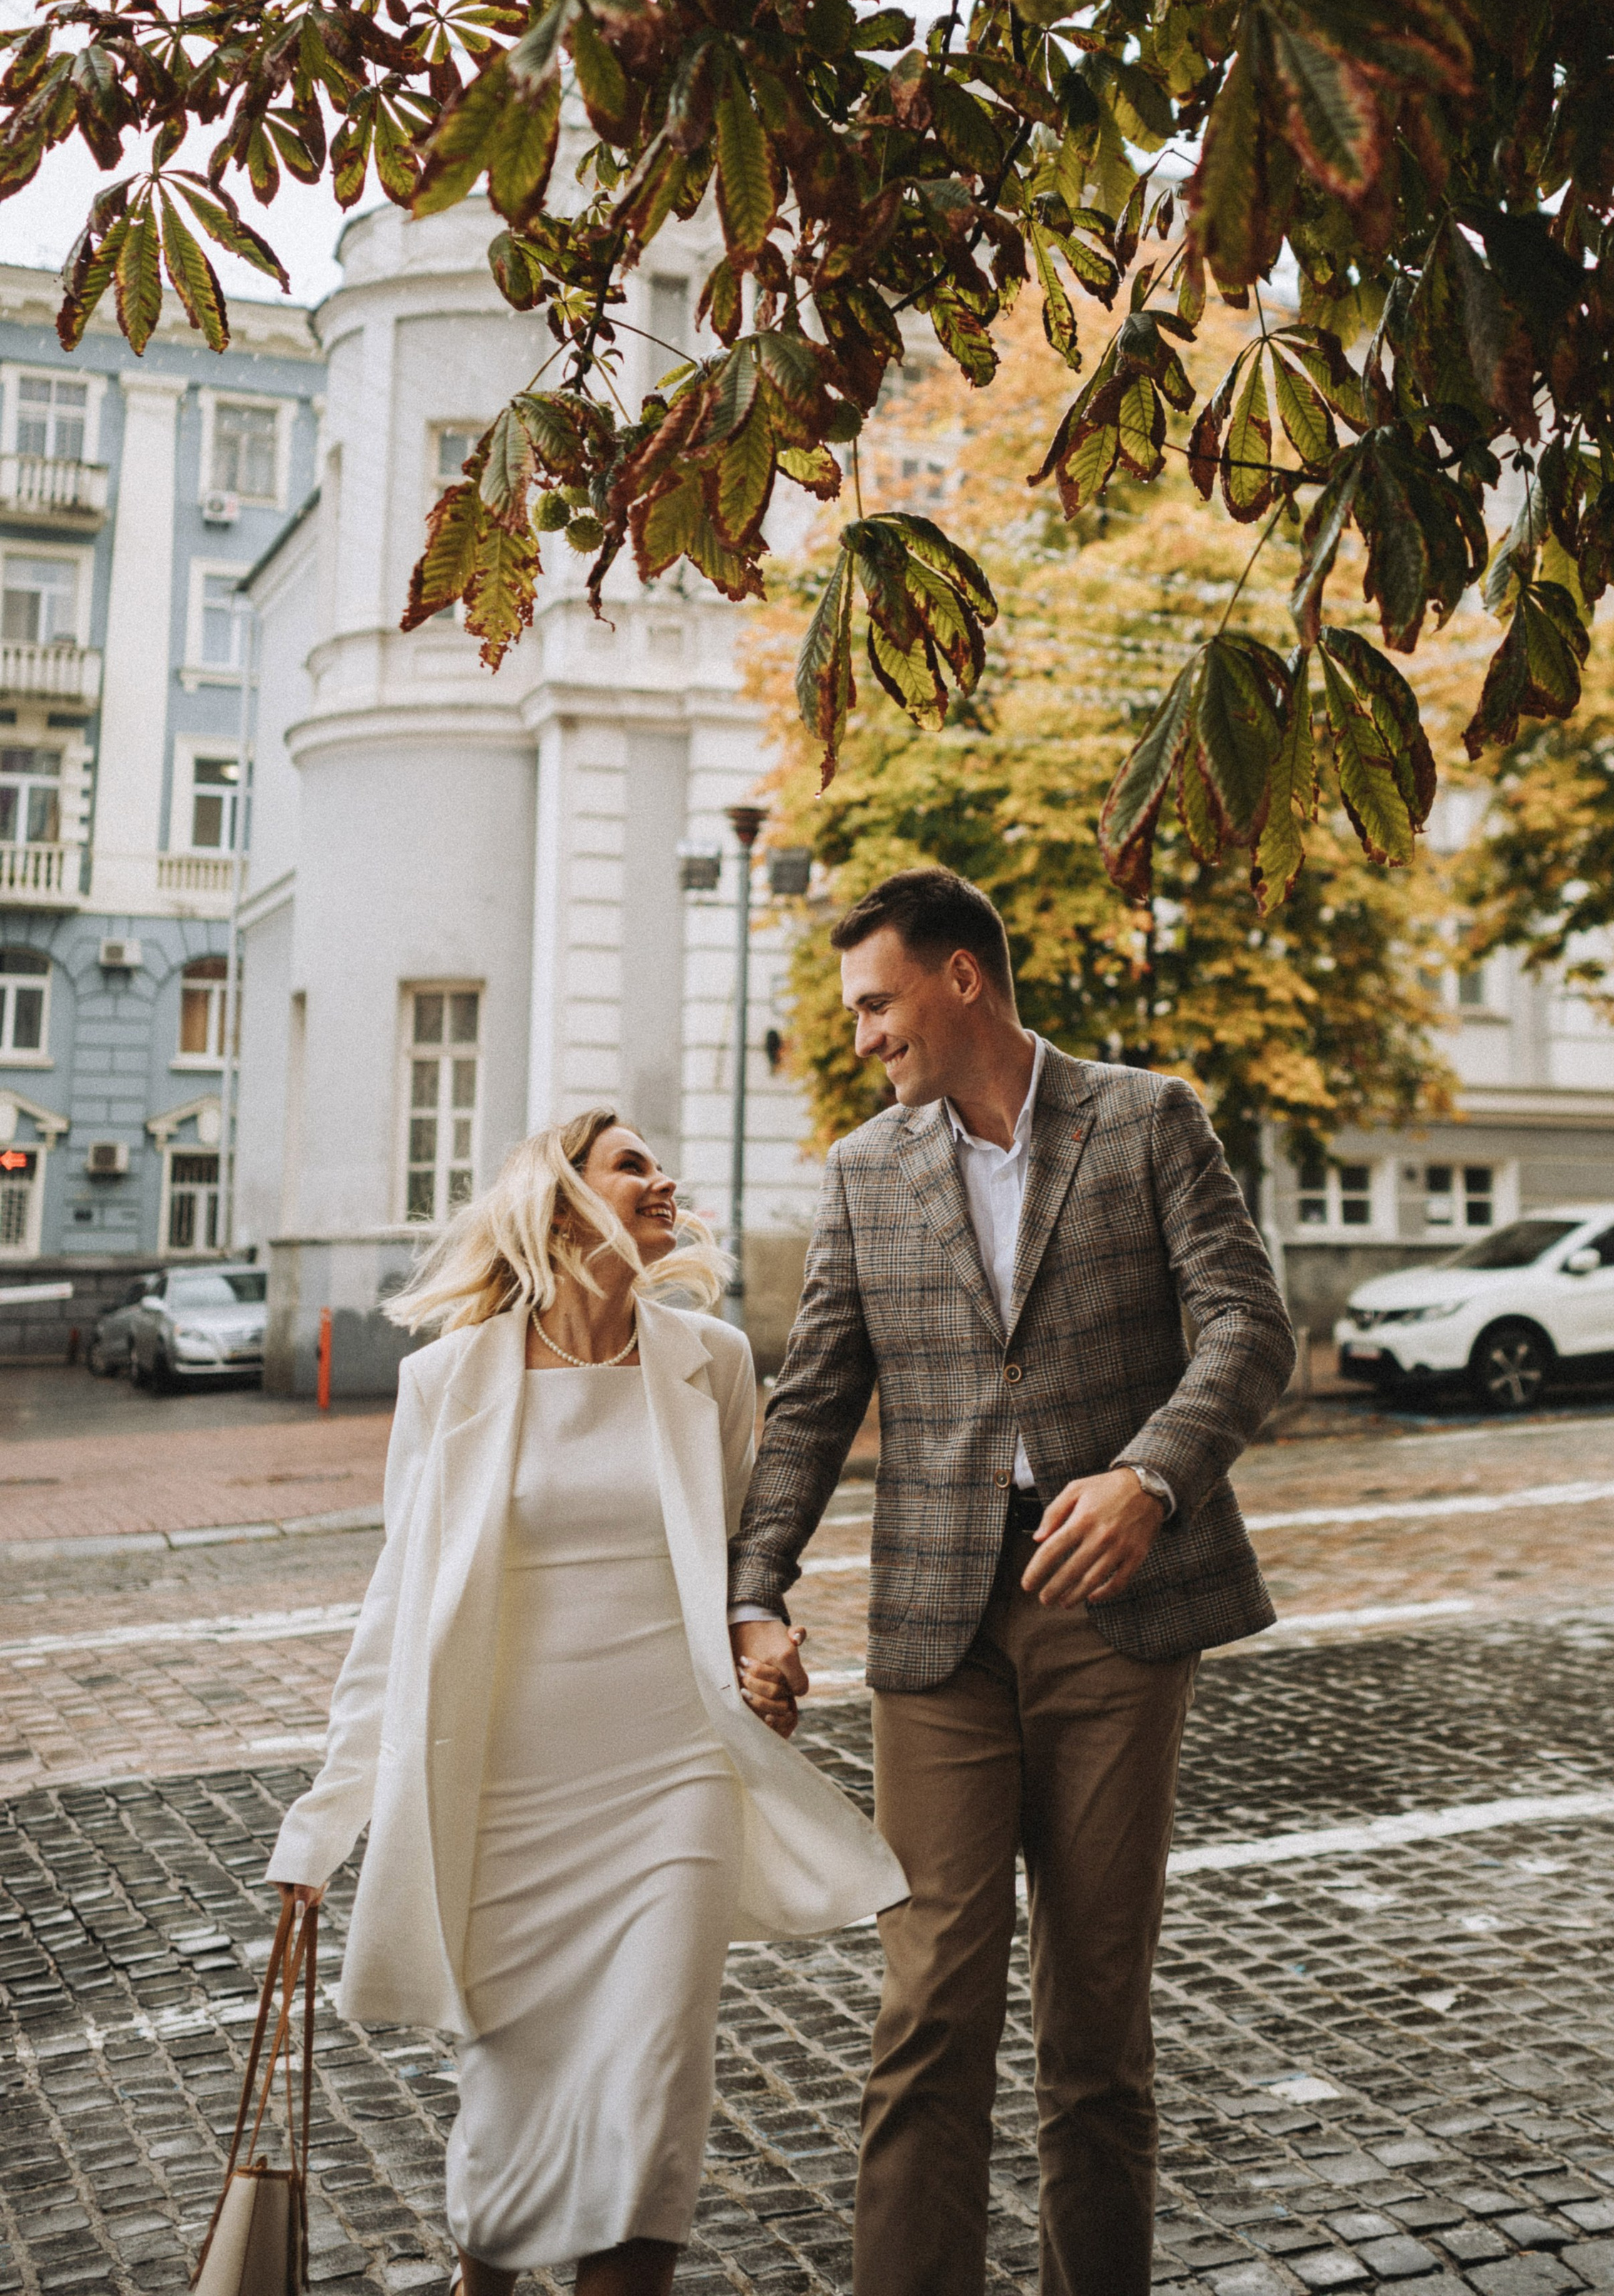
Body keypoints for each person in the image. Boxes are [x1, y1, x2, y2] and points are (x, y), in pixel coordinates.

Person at [729, 868, 1296, 2296]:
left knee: (1093, 2023)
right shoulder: (865, 1169)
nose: (863, 1034)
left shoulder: (1146, 1118)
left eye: (877, 1003)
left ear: (961, 977)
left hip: (1115, 1616)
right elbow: (813, 1400)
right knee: (928, 2008)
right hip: (939, 1635)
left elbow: (1246, 1323)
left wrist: (1150, 1478)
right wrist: (754, 1590)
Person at [265, 1111, 905, 2296]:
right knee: (509, 2106)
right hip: (510, 1793)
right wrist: (322, 1826)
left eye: (660, 1163)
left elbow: (737, 1561)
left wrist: (759, 1642)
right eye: (631, 1164)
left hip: (672, 1781)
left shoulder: (711, 1362)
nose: (663, 1178)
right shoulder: (449, 1380)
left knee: (656, 2095)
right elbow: (397, 1612)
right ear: (561, 1204)